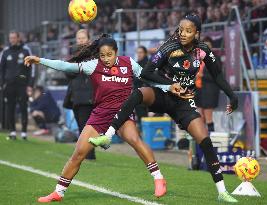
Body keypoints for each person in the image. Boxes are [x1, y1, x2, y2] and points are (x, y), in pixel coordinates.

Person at [91, 14, 239, 203]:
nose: (183, 34)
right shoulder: (169, 47)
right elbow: (146, 73)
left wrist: (232, 95)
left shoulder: (202, 50)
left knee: (205, 140)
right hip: (163, 94)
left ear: (197, 33)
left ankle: (222, 191)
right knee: (137, 94)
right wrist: (170, 85)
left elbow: (217, 74)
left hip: (184, 103)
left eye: (188, 31)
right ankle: (109, 134)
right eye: (181, 30)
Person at [24, 34, 168, 203]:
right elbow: (65, 66)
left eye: (110, 55)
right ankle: (58, 192)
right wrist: (40, 60)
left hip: (122, 113)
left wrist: (169, 86)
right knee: (78, 153)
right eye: (102, 55)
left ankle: (158, 178)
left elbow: (148, 77)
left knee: (134, 139)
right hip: (100, 114)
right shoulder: (93, 66)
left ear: (116, 52)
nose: (106, 59)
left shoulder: (129, 63)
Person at [63, 29, 96, 160]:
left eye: (83, 38)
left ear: (88, 39)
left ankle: (89, 155)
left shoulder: (94, 54)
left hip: (89, 96)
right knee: (82, 126)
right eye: (78, 38)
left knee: (86, 127)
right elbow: (67, 73)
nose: (81, 40)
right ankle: (87, 154)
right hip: (76, 96)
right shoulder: (73, 54)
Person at [0, 31, 35, 140]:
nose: (12, 40)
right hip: (9, 85)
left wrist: (30, 84)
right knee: (10, 108)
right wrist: (2, 84)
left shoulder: (26, 50)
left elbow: (32, 68)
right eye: (10, 38)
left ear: (18, 38)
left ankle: (24, 133)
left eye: (14, 38)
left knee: (23, 107)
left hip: (22, 85)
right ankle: (13, 132)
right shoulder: (5, 52)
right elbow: (1, 69)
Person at [195, 36, 220, 132]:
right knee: (200, 117)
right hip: (198, 90)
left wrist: (201, 75)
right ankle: (202, 138)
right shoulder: (198, 59)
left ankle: (211, 139)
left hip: (209, 91)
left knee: (208, 117)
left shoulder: (214, 59)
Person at [134, 46, 149, 131]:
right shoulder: (137, 64)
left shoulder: (147, 64)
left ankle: (146, 134)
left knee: (144, 116)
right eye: (138, 52)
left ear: (145, 53)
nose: (139, 54)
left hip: (145, 93)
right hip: (139, 93)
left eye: (141, 52)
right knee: (140, 116)